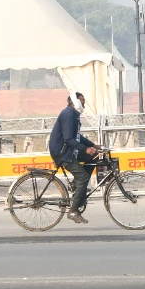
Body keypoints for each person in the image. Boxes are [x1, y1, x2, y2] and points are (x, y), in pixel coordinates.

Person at [48, 92, 98, 224]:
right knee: (83, 177)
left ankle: (77, 186)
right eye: (82, 103)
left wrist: (92, 145)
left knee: (94, 156)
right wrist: (85, 149)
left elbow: (77, 137)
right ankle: (73, 211)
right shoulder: (68, 115)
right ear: (75, 103)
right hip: (63, 153)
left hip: (69, 150)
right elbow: (69, 139)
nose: (84, 106)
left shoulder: (73, 114)